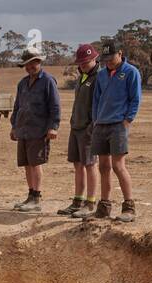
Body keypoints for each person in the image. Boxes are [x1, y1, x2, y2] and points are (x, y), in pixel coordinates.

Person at [88, 40, 141, 222]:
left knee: (118, 166)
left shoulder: (130, 72)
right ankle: (104, 207)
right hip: (101, 124)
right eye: (106, 59)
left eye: (111, 58)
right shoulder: (102, 75)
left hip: (118, 124)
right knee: (103, 167)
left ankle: (129, 207)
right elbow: (96, 99)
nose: (109, 62)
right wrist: (96, 120)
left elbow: (135, 99)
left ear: (120, 53)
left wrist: (127, 121)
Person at [9, 50, 60, 212]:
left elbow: (55, 106)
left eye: (33, 63)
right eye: (27, 64)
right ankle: (30, 195)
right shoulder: (22, 83)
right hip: (23, 129)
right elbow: (17, 107)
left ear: (39, 62)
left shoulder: (48, 81)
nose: (30, 66)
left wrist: (53, 127)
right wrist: (14, 126)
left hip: (39, 130)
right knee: (26, 164)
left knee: (35, 163)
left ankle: (36, 197)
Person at [60, 44, 101, 218]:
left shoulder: (99, 77)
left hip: (88, 128)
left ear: (94, 59)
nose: (83, 65)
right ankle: (78, 200)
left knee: (90, 164)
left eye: (86, 62)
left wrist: (92, 126)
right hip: (75, 126)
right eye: (81, 62)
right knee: (77, 164)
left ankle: (90, 203)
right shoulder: (81, 76)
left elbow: (99, 103)